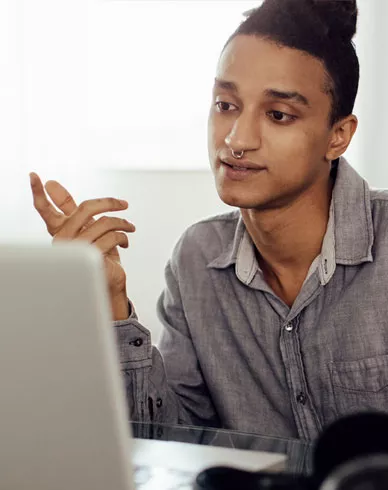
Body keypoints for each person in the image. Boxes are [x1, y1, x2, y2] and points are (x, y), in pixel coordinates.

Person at [30, 0, 387, 441]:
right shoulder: (197, 260)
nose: (236, 140)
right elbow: (168, 443)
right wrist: (109, 303)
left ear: (338, 136)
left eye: (278, 115)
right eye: (225, 104)